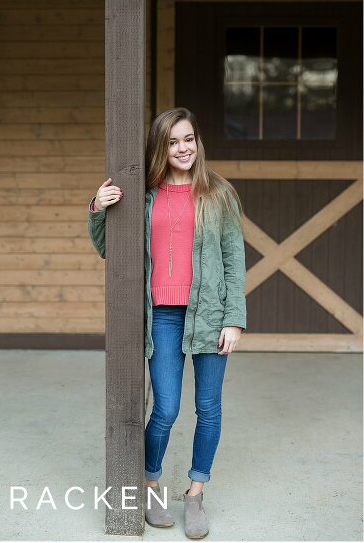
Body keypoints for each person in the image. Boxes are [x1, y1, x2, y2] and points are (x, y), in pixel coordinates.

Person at [87, 107, 246, 539]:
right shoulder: (145, 195)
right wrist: (97, 208)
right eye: (174, 141)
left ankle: (194, 493)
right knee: (166, 408)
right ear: (161, 146)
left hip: (211, 317)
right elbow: (109, 249)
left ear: (198, 142)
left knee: (208, 409)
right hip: (162, 316)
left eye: (189, 139)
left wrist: (234, 320)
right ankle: (152, 485)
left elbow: (234, 259)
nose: (183, 148)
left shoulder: (219, 194)